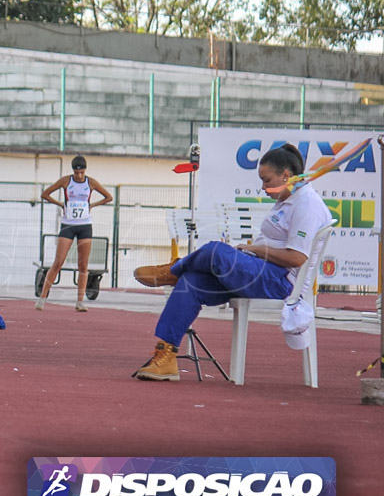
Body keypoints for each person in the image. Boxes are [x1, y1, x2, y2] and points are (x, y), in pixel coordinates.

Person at [132, 144, 332, 381]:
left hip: (281, 280)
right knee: (192, 282)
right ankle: (166, 356)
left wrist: (255, 249)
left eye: (266, 180)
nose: (263, 187)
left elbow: (297, 258)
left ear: (286, 176)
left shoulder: (307, 205)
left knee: (214, 251)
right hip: (260, 270)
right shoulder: (287, 196)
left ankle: (174, 269)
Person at [34, 155, 113, 312]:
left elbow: (108, 197)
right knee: (58, 262)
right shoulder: (66, 181)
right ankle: (42, 298)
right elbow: (45, 194)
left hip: (85, 225)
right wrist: (62, 204)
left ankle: (80, 301)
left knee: (83, 264)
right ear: (73, 171)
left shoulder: (90, 182)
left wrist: (92, 205)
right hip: (68, 224)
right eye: (76, 173)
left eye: (81, 173)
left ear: (84, 171)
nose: (78, 176)